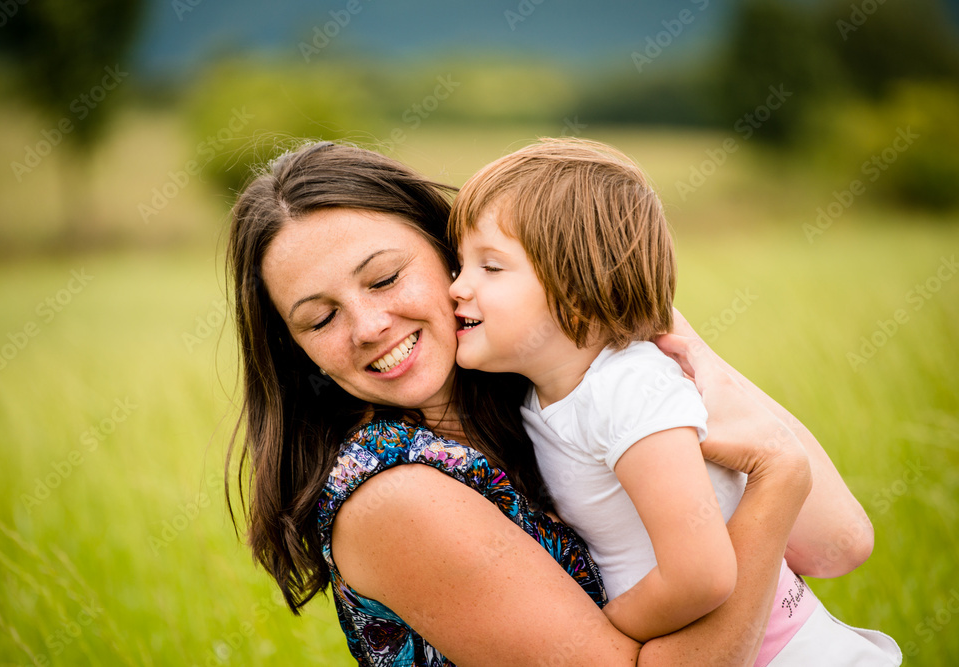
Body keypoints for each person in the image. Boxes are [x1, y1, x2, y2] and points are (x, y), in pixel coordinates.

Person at [225, 140, 871, 665]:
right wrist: (777, 480)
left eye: (386, 277)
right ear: (297, 350)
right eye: (319, 318)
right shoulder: (395, 495)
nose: (367, 326)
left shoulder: (552, 381)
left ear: (452, 250)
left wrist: (668, 339)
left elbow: (837, 544)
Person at [447, 137, 902, 664]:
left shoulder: (628, 389)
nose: (458, 287)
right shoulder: (543, 396)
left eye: (491, 267)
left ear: (577, 286)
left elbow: (700, 574)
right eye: (460, 264)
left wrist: (603, 632)